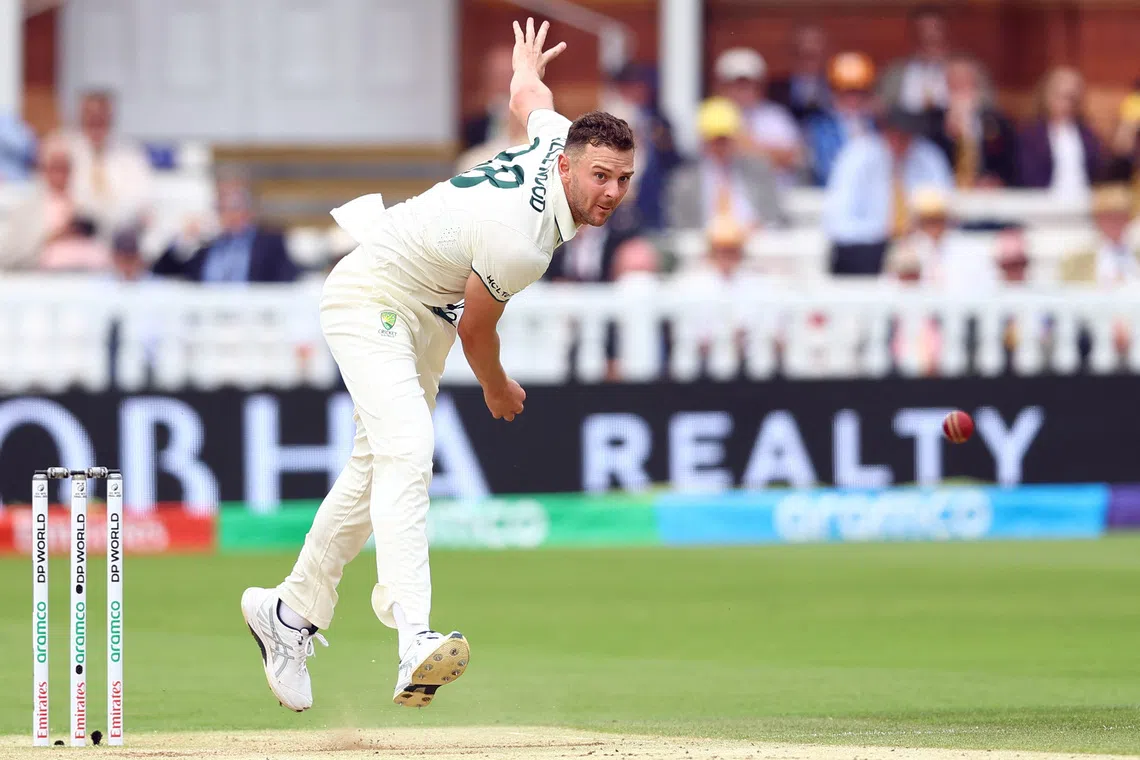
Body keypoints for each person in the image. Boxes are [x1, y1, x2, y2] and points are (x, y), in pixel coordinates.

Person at [240, 18, 635, 712]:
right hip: (372, 295)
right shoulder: (522, 242)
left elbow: (531, 100)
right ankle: (413, 639)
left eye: (624, 179)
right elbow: (478, 331)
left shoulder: (557, 137)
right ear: (567, 167)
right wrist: (498, 388)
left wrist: (526, 68)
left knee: (374, 469)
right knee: (409, 451)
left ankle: (289, 614)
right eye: (600, 176)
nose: (611, 191)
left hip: (424, 314)